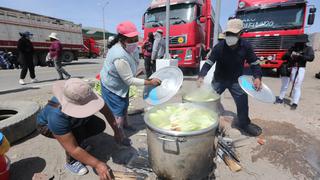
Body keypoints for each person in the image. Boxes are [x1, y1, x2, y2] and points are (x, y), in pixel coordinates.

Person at [37, 78, 123, 179]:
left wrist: (117, 131)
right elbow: (72, 148)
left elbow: (106, 111)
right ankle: (71, 161)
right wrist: (98, 164)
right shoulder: (56, 116)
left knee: (98, 125)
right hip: (46, 126)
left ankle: (80, 142)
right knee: (75, 138)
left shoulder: (85, 94)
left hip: (69, 118)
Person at [197, 19, 263, 137]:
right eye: (228, 34)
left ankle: (244, 124)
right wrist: (201, 75)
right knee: (209, 100)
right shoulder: (219, 47)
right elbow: (209, 62)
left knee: (242, 102)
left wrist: (257, 77)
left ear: (240, 34)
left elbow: (254, 63)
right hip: (219, 80)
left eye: (233, 34)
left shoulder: (246, 46)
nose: (230, 37)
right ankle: (205, 121)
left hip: (236, 81)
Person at [100, 21, 161, 145]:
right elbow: (128, 80)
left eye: (135, 38)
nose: (134, 41)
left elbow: (130, 68)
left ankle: (125, 124)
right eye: (130, 39)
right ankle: (119, 135)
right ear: (122, 39)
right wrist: (149, 82)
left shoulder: (129, 48)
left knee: (125, 104)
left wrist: (137, 72)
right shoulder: (119, 55)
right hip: (112, 86)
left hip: (121, 83)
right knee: (118, 111)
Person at [275, 35, 314, 110]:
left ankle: (295, 103)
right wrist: (289, 54)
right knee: (285, 85)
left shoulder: (308, 49)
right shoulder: (292, 48)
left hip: (300, 69)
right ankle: (280, 98)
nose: (299, 43)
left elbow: (311, 58)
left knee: (297, 86)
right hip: (289, 68)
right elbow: (283, 57)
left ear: (305, 42)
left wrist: (301, 56)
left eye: (301, 42)